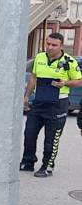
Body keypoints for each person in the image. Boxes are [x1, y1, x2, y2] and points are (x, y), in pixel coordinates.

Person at [20, 32, 82, 177]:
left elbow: (79, 81)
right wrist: (26, 96)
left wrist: (65, 83)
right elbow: (33, 78)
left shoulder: (69, 61)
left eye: (54, 45)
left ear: (61, 46)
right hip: (39, 103)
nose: (50, 47)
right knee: (29, 134)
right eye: (48, 44)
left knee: (51, 139)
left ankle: (47, 166)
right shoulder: (40, 57)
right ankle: (28, 161)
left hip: (58, 105)